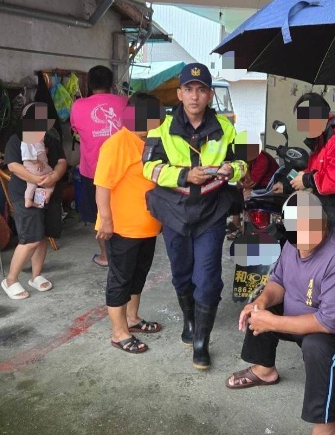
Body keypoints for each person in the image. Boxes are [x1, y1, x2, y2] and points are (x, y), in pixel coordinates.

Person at [226, 191, 335, 435]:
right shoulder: (292, 244)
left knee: (317, 346)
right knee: (261, 307)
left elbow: (327, 323)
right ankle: (264, 370)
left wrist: (273, 322)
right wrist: (261, 303)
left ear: (323, 221)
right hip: (311, 311)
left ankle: (325, 427)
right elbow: (277, 282)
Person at [142, 63, 247, 370]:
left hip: (211, 212)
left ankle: (201, 341)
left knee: (208, 279)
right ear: (179, 93)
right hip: (175, 212)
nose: (194, 96)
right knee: (181, 274)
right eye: (188, 89)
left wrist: (233, 168)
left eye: (201, 90)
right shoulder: (160, 129)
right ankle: (189, 321)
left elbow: (244, 163)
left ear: (210, 95)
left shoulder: (229, 128)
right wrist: (186, 175)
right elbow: (148, 168)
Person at [95, 92, 164, 354]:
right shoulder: (118, 143)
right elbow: (102, 185)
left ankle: (132, 319)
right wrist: (106, 220)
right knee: (120, 279)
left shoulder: (148, 142)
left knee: (138, 275)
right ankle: (118, 333)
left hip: (146, 227)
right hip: (122, 228)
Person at [273, 93, 335, 247]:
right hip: (330, 212)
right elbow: (312, 170)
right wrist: (288, 184)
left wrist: (306, 180)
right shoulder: (323, 139)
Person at [1, 102, 68, 300]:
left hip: (48, 191)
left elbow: (62, 161)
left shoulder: (51, 138)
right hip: (25, 193)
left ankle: (35, 276)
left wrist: (54, 176)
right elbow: (13, 166)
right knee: (30, 238)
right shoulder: (16, 139)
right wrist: (38, 180)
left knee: (42, 234)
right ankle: (11, 280)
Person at [70, 66, 129, 268]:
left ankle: (105, 256)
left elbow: (76, 130)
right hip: (123, 171)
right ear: (112, 83)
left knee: (99, 215)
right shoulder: (125, 102)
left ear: (88, 84)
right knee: (122, 211)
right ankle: (124, 254)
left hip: (93, 171)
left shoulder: (78, 106)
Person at [21, 138, 54, 208]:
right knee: (52, 175)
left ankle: (28, 201)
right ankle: (48, 193)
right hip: (36, 166)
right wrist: (37, 162)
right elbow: (27, 156)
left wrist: (44, 150)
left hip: (32, 168)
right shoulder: (27, 141)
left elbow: (39, 149)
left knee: (31, 184)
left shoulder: (37, 140)